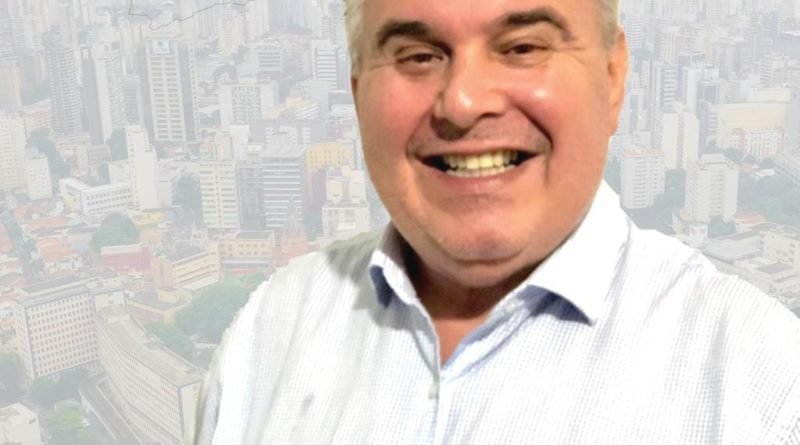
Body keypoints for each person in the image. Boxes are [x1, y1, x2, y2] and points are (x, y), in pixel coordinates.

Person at [190, 0, 800, 443]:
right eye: (418, 55)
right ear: (357, 93)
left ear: (613, 78)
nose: (463, 101)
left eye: (523, 48)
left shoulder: (763, 389)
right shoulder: (270, 335)